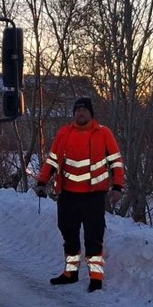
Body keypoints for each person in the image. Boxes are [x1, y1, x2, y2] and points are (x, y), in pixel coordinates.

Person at [35, 96, 125, 292]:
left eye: (84, 110)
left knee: (94, 237)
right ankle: (70, 273)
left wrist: (118, 186)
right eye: (78, 110)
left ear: (91, 114)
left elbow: (116, 162)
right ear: (74, 114)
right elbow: (52, 161)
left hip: (93, 196)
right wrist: (42, 181)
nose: (81, 113)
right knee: (69, 236)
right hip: (68, 196)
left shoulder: (103, 133)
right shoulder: (64, 133)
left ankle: (96, 278)